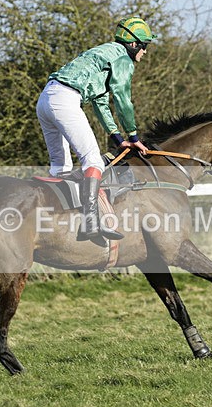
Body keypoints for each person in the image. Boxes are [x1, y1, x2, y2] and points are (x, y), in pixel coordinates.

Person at [36, 16, 155, 243]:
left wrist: (118, 138)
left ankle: (56, 223)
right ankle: (90, 223)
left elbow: (100, 103)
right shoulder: (123, 59)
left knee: (60, 168)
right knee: (93, 161)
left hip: (45, 99)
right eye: (144, 46)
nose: (145, 52)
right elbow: (122, 99)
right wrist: (133, 136)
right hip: (65, 100)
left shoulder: (103, 53)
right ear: (133, 44)